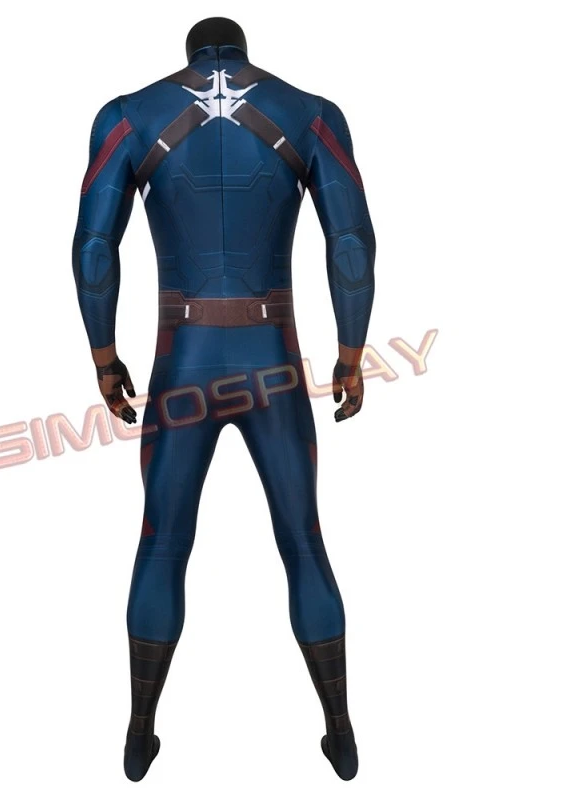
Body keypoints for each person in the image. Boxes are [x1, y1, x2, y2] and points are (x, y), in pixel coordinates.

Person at [72, 16, 376, 781]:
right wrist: (351, 350)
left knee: (161, 543)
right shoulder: (310, 113)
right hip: (272, 359)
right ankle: (340, 731)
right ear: (243, 50)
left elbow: (93, 247)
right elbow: (350, 242)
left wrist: (104, 355)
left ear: (190, 52)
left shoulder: (129, 116)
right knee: (303, 540)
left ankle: (140, 731)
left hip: (184, 358)